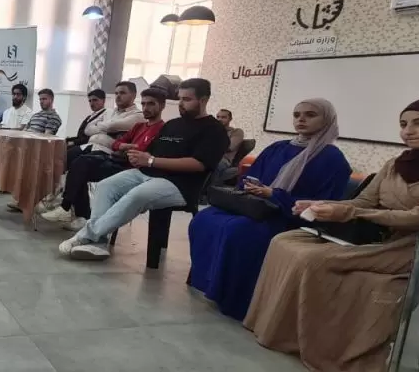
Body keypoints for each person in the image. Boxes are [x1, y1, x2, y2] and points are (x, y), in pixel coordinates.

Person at [243, 98, 419, 372]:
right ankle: (285, 333)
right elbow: (363, 201)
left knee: (314, 259)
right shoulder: (395, 164)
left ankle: (327, 346)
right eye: (403, 124)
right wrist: (320, 205)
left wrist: (352, 213)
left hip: (414, 246)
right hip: (374, 233)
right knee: (284, 241)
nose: (408, 131)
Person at [188, 98, 351, 321]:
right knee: (205, 218)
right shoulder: (278, 147)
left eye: (310, 115)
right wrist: (251, 186)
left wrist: (274, 194)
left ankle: (234, 298)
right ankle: (207, 282)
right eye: (297, 115)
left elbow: (324, 203)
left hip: (288, 217)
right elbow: (250, 176)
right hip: (256, 207)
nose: (301, 119)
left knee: (238, 231)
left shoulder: (333, 159)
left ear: (327, 119)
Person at [58, 78, 229, 260]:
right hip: (146, 173)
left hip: (180, 184)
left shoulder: (214, 130)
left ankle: (85, 236)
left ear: (203, 100)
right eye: (180, 98)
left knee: (136, 195)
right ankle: (98, 242)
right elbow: (150, 152)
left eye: (187, 99)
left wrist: (151, 161)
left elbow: (198, 164)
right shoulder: (172, 125)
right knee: (105, 186)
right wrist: (138, 155)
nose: (181, 104)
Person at [42, 88, 167, 229]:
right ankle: (76, 213)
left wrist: (127, 147)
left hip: (132, 168)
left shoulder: (162, 129)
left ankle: (67, 207)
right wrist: (122, 146)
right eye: (143, 104)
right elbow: (116, 143)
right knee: (79, 164)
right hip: (117, 159)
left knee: (81, 163)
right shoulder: (139, 126)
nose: (146, 108)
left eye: (151, 104)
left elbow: (143, 151)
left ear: (162, 105)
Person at [216, 109, 245, 174]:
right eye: (218, 117)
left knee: (212, 165)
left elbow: (229, 147)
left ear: (230, 119)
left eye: (223, 117)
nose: (219, 119)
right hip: (209, 157)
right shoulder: (213, 131)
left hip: (223, 160)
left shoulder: (236, 132)